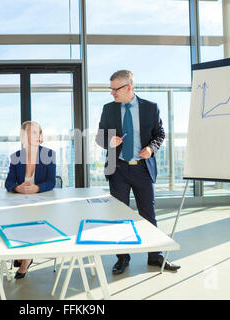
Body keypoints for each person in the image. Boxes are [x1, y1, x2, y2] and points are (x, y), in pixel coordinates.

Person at [96, 70, 180, 274]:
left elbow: (159, 134)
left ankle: (155, 256)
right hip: (118, 170)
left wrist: (151, 148)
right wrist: (109, 141)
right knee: (119, 216)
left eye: (115, 89)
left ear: (129, 88)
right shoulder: (109, 109)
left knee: (148, 214)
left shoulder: (150, 108)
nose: (112, 93)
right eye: (111, 89)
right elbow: (99, 138)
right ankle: (122, 258)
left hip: (142, 168)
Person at [5, 120, 56, 278]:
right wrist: (17, 187)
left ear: (40, 137)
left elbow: (51, 182)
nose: (31, 136)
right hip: (20, 202)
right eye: (27, 133)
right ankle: (24, 254)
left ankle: (25, 259)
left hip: (41, 203)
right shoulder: (16, 157)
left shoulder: (49, 154)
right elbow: (9, 182)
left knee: (28, 220)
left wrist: (37, 188)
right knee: (15, 219)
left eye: (35, 132)